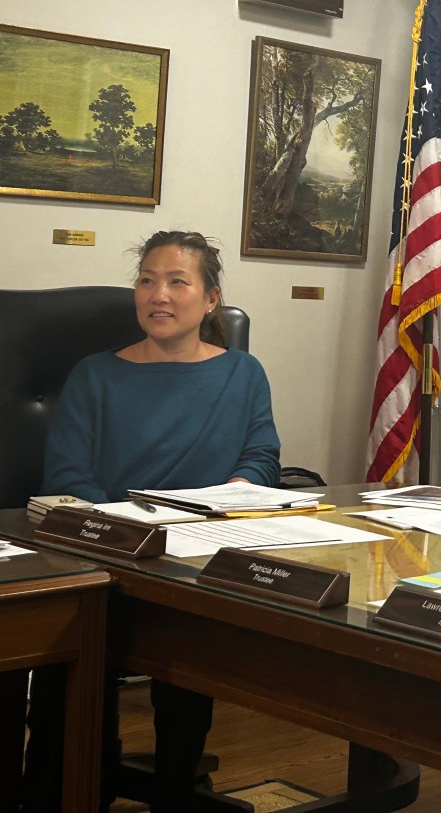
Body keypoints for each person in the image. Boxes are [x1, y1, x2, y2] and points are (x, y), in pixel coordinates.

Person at [23, 230, 281, 813]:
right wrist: (130, 534)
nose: (157, 295)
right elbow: (68, 477)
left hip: (197, 560)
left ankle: (175, 787)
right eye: (145, 280)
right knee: (70, 672)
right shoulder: (95, 374)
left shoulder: (243, 374)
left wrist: (234, 495)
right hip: (108, 559)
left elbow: (262, 457)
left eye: (176, 281)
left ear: (211, 300)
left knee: (190, 657)